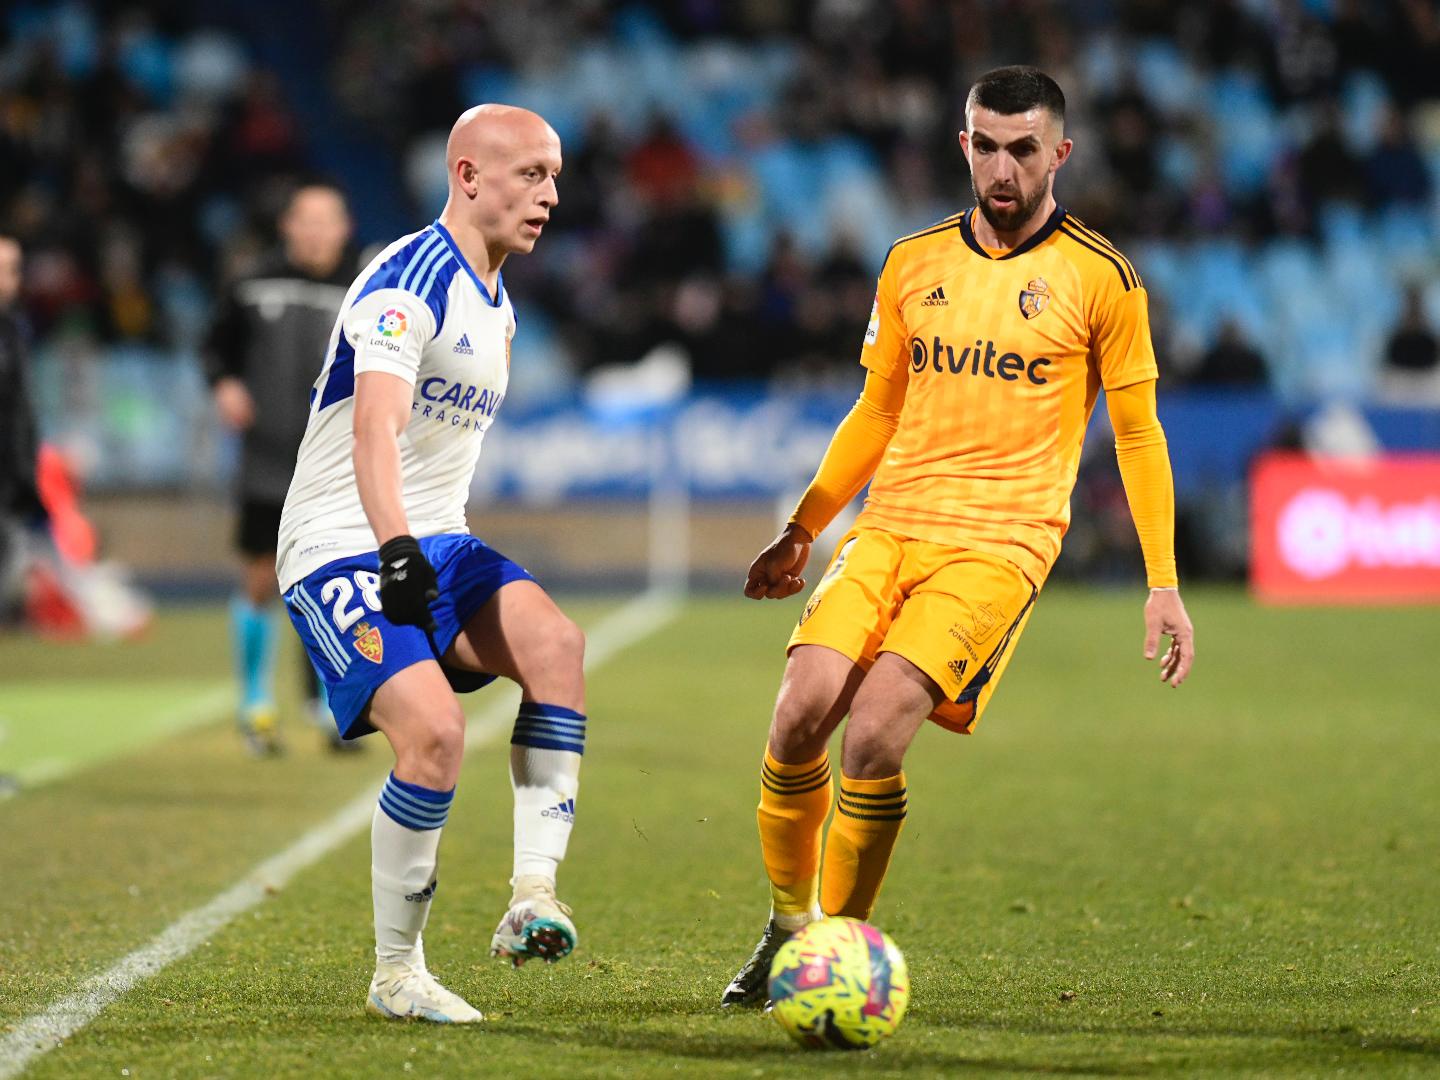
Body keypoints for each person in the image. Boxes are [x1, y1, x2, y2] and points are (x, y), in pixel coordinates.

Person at [722, 66, 1195, 1007]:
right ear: (963, 144)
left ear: (1060, 152)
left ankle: (838, 953)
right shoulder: (912, 262)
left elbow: (1138, 433)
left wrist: (1163, 581)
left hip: (1000, 545)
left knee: (876, 733)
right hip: (891, 523)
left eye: (1025, 148)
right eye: (987, 145)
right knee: (797, 712)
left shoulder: (1104, 280)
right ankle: (785, 932)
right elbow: (876, 408)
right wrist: (804, 527)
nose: (1004, 167)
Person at [276, 105, 582, 1024]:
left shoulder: (500, 301)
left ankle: (533, 896)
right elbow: (377, 430)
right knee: (436, 738)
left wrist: (424, 544)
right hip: (340, 542)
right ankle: (396, 974)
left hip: (436, 534)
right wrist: (395, 548)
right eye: (530, 173)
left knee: (557, 647)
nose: (551, 195)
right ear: (468, 175)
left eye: (555, 175)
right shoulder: (404, 284)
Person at [205, 183, 357, 755]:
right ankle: (255, 706)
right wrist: (225, 385)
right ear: (288, 226)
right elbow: (215, 349)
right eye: (307, 219)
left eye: (329, 219)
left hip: (334, 464)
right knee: (260, 580)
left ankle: (327, 709)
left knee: (328, 581)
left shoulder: (364, 288)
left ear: (344, 227)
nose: (318, 231)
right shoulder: (251, 283)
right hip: (267, 459)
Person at [0, 236, 42, 629]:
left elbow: (21, 410)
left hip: (8, 478)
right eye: (6, 269)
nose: (13, 279)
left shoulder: (14, 329)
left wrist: (26, 469)